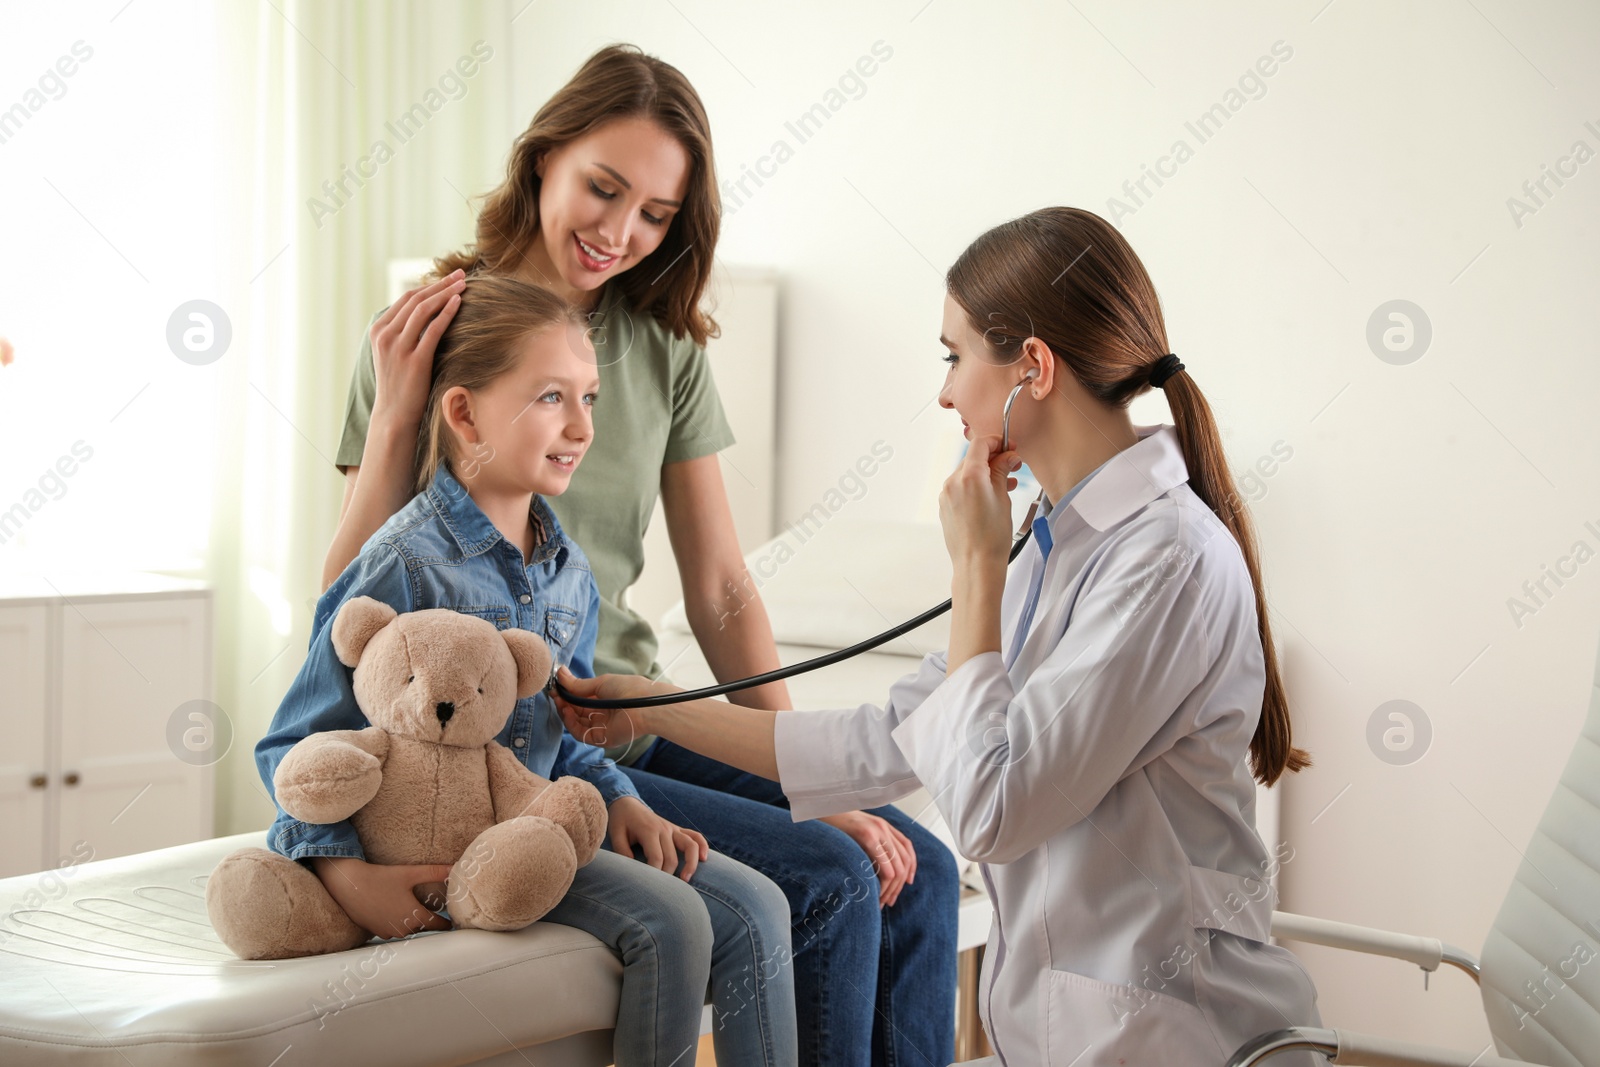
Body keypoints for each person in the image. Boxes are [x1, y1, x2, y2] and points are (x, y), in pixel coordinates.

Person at [556, 206, 1326, 1065]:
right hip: (1067, 1035)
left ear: (1032, 365)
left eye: (955, 356)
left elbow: (997, 809)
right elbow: (882, 739)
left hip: (1171, 1038)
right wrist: (651, 709)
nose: (947, 391)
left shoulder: (1164, 560)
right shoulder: (1058, 543)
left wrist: (974, 571)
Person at [326, 44, 957, 1066]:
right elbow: (344, 602)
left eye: (656, 214)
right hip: (507, 746)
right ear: (544, 162)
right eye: (602, 188)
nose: (619, 232)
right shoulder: (433, 334)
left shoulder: (662, 345)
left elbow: (718, 587)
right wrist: (399, 403)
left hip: (627, 709)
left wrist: (810, 776)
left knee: (917, 868)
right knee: (832, 878)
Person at [258, 275, 797, 1066]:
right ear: (465, 411)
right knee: (674, 921)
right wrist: (345, 877)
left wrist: (622, 798)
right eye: (551, 396)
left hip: (536, 828)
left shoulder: (569, 574)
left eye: (590, 397)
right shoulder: (403, 563)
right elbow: (296, 742)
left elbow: (560, 733)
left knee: (761, 907)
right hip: (449, 849)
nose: (581, 425)